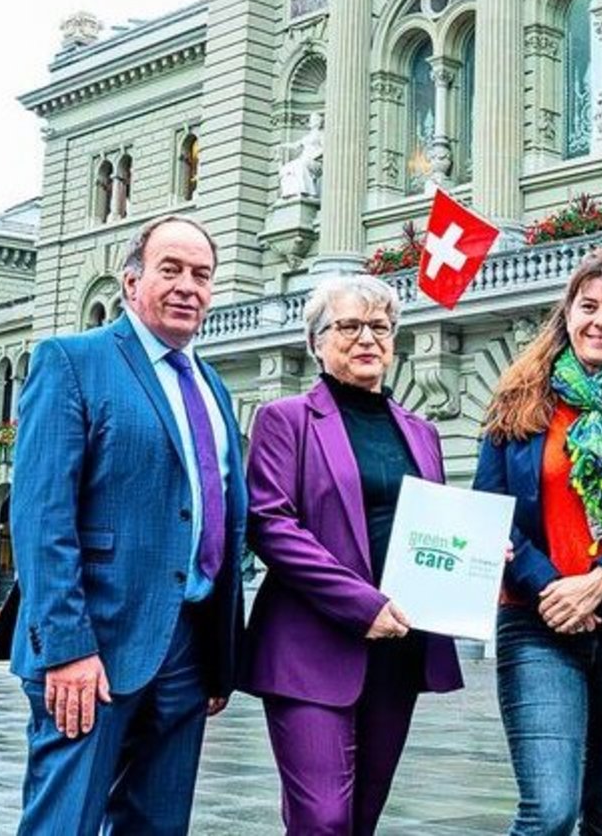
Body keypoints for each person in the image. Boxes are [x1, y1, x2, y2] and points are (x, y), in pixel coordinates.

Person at [7, 214, 248, 833]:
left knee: (157, 826)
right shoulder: (71, 361)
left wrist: (218, 658)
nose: (188, 286)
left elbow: (217, 511)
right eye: (171, 269)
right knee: (65, 822)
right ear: (132, 281)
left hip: (188, 647)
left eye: (202, 274)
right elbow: (41, 519)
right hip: (94, 646)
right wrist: (66, 649)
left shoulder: (212, 386)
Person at [239, 274, 462, 836]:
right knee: (323, 818)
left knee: (362, 818)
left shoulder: (422, 431)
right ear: (316, 341)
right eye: (349, 326)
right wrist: (363, 605)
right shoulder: (284, 419)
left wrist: (475, 551)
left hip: (399, 649)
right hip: (309, 648)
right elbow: (270, 524)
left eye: (380, 327)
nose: (367, 338)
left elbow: (429, 528)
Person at [474, 248, 602, 836]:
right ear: (566, 313)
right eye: (588, 306)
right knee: (548, 811)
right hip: (535, 623)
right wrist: (552, 589)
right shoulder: (517, 403)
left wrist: (599, 581)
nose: (601, 321)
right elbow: (491, 515)